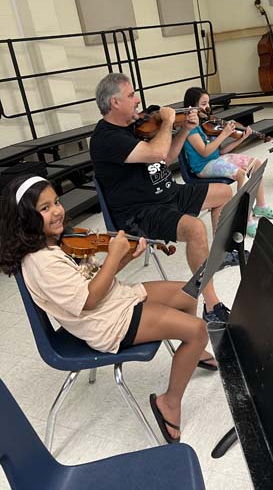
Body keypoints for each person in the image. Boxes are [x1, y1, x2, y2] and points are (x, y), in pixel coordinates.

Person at [0, 175, 217, 443]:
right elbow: (89, 300)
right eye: (44, 208)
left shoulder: (58, 242)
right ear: (25, 218)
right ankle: (169, 403)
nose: (57, 211)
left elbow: (96, 278)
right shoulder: (42, 263)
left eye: (56, 201)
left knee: (187, 293)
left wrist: (123, 257)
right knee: (197, 331)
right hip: (106, 322)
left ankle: (191, 353)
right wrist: (114, 256)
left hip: (113, 300)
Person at [90, 73, 233, 324]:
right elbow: (156, 150)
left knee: (224, 193)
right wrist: (168, 122)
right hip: (141, 211)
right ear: (114, 102)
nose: (137, 101)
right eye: (131, 95)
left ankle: (216, 255)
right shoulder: (106, 138)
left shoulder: (134, 126)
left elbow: (165, 157)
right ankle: (212, 304)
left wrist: (185, 130)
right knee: (195, 229)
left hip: (168, 193)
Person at [182, 87, 273, 237]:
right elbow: (205, 152)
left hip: (216, 159)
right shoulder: (191, 130)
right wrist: (225, 133)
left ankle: (261, 206)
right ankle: (246, 220)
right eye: (203, 104)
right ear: (192, 107)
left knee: (257, 163)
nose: (207, 107)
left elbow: (221, 151)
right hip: (203, 166)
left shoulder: (207, 124)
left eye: (208, 103)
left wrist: (242, 139)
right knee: (241, 175)